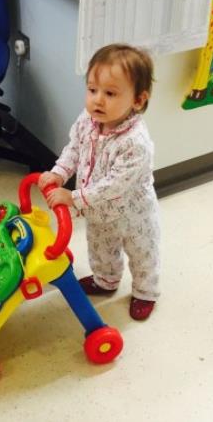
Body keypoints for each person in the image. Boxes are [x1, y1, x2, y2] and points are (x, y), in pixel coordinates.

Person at [38, 44, 160, 320]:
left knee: (142, 253)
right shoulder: (87, 121)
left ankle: (146, 291)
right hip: (97, 211)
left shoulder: (135, 143)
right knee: (100, 247)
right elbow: (74, 149)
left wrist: (72, 197)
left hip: (133, 214)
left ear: (138, 100)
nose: (98, 100)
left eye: (110, 93)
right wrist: (59, 173)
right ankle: (106, 280)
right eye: (92, 90)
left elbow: (114, 185)